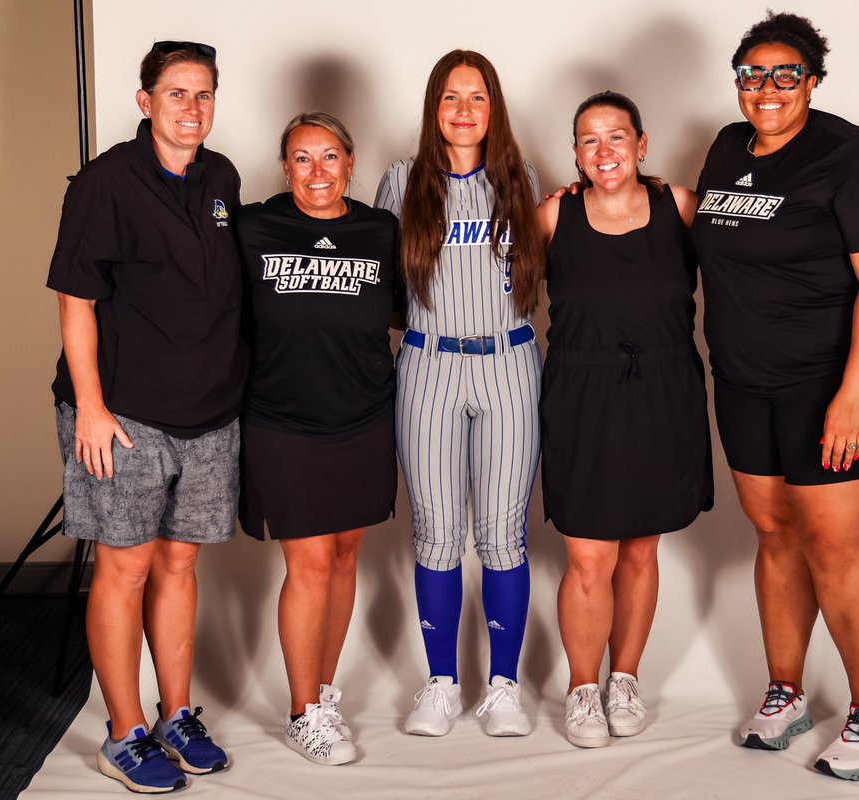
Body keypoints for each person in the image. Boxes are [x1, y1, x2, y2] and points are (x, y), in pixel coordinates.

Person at [691, 12, 859, 781]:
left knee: (836, 543)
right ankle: (786, 691)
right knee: (775, 531)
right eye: (753, 75)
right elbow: (703, 223)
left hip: (832, 382)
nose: (768, 89)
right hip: (745, 380)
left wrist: (855, 394)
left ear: (813, 81)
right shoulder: (726, 147)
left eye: (786, 74)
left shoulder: (852, 157)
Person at [47, 41, 241, 793]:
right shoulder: (103, 186)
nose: (191, 109)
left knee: (180, 563)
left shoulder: (219, 176)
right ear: (144, 102)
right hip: (123, 415)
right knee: (125, 567)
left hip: (208, 412)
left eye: (203, 95)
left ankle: (176, 713)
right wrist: (91, 408)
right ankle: (123, 730)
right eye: (176, 95)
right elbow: (76, 302)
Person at [373, 50, 543, 738]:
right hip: (429, 363)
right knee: (437, 533)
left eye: (477, 97)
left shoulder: (521, 180)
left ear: (494, 108)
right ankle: (441, 684)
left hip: (507, 361)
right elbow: (377, 280)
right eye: (450, 97)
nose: (464, 110)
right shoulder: (401, 181)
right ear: (433, 109)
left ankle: (503, 687)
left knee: (503, 534)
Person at [536, 92, 712, 748]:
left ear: (642, 144)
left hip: (664, 391)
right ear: (575, 154)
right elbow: (484, 281)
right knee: (588, 554)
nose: (604, 150)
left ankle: (624, 678)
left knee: (641, 548)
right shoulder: (553, 215)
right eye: (589, 139)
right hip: (582, 394)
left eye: (617, 137)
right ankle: (584, 688)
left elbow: (755, 268)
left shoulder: (683, 207)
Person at [236, 112, 401, 765]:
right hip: (283, 421)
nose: (317, 173)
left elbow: (403, 306)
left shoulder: (379, 230)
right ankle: (303, 712)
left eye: (329, 157)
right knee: (307, 565)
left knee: (342, 558)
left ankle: (323, 693)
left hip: (363, 416)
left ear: (351, 162)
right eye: (302, 159)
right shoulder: (254, 227)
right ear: (284, 168)